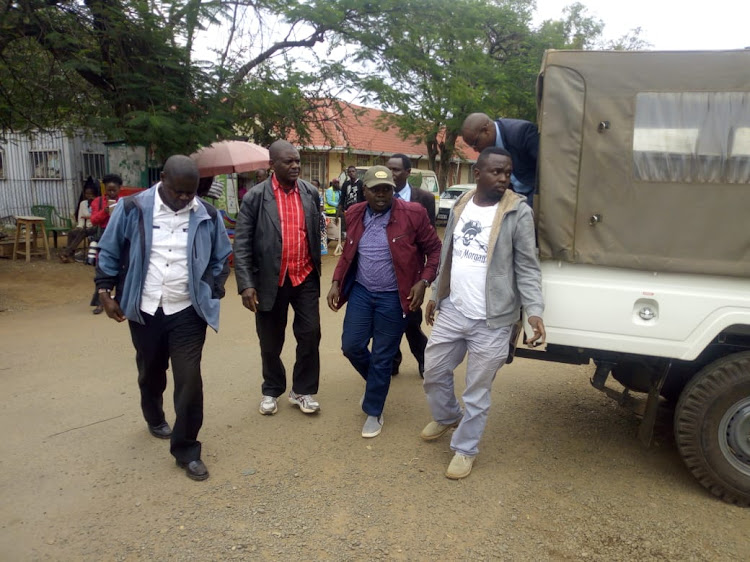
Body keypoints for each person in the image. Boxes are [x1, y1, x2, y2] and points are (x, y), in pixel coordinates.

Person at [94, 155, 232, 481]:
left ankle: (186, 449)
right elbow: (109, 250)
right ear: (163, 181)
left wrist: (212, 286)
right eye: (179, 192)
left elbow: (222, 256)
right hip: (144, 309)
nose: (186, 199)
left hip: (187, 310)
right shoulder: (132, 209)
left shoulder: (208, 215)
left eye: (192, 192)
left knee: (189, 380)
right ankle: (154, 415)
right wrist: (104, 292)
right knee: (151, 370)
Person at [421, 147, 545, 480]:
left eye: (508, 172)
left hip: (494, 320)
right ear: (477, 173)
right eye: (497, 172)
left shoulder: (517, 212)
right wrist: (437, 294)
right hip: (453, 309)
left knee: (477, 390)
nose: (504, 178)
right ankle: (448, 416)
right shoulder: (462, 204)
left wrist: (533, 311)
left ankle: (465, 449)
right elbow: (449, 253)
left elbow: (528, 267)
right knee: (432, 369)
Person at [327, 166, 441, 438]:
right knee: (351, 345)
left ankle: (374, 410)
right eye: (375, 189)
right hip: (362, 292)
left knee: (382, 356)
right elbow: (348, 254)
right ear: (364, 191)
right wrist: (335, 282)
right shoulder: (355, 213)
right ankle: (376, 386)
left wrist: (423, 281)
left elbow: (435, 250)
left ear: (393, 190)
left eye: (386, 189)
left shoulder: (412, 213)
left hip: (394, 296)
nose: (381, 195)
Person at [234, 140, 323, 416]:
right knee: (270, 340)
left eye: (297, 160)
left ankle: (302, 391)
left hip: (304, 275)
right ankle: (272, 389)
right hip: (269, 279)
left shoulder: (310, 193)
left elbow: (314, 230)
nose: (295, 165)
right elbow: (242, 242)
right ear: (272, 165)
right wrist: (246, 284)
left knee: (310, 334)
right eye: (289, 161)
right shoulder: (255, 197)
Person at [386, 153, 437, 378]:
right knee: (387, 319)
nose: (391, 174)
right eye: (389, 169)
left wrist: (425, 276)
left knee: (411, 320)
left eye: (396, 169)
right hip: (385, 269)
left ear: (408, 172)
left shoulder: (423, 199)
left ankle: (424, 359)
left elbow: (430, 237)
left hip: (412, 272)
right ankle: (393, 361)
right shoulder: (379, 194)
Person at [460, 113, 539, 207]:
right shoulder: (489, 153)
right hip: (513, 197)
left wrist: (526, 206)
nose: (475, 150)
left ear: (486, 131)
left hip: (537, 194)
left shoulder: (522, 132)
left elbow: (547, 171)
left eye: (475, 143)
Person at [89, 174, 123, 314]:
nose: (111, 193)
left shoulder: (123, 202)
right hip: (103, 237)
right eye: (109, 190)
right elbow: (94, 220)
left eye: (114, 190)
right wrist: (105, 211)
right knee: (102, 269)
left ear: (119, 189)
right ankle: (100, 303)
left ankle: (119, 300)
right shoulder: (98, 202)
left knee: (121, 270)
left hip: (120, 238)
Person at [58, 182, 98, 263]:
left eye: (91, 194)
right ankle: (70, 255)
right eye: (87, 194)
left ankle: (66, 253)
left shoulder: (97, 202)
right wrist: (80, 226)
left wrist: (89, 216)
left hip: (95, 226)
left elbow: (95, 215)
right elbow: (81, 216)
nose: (89, 196)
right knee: (72, 232)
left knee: (82, 231)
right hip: (84, 226)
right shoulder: (83, 203)